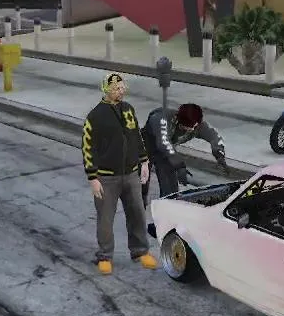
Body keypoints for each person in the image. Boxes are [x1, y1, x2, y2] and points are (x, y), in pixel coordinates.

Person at [82, 73, 156, 275]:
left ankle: (140, 251)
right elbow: (88, 148)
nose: (120, 92)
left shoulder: (128, 109)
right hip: (106, 177)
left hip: (131, 174)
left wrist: (144, 161)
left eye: (122, 88)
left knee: (137, 213)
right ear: (106, 90)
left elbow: (137, 136)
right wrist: (92, 177)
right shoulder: (95, 116)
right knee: (105, 219)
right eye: (116, 89)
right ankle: (105, 256)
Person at [142, 103, 229, 234]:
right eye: (187, 127)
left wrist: (219, 154)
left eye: (193, 127)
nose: (191, 130)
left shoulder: (197, 125)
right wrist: (179, 165)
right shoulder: (161, 119)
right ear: (178, 120)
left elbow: (214, 136)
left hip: (165, 155)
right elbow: (164, 143)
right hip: (143, 151)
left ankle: (162, 225)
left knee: (170, 192)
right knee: (140, 188)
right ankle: (137, 221)